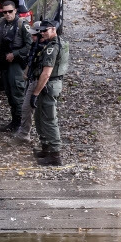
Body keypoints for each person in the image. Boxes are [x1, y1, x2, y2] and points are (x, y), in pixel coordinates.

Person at [29, 20, 69, 166]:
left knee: (49, 119)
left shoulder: (52, 47)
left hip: (49, 84)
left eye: (45, 31)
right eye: (41, 31)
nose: (42, 33)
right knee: (40, 117)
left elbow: (46, 74)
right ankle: (46, 148)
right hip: (52, 84)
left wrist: (35, 93)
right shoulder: (60, 42)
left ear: (53, 30)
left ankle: (55, 155)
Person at [0, 0, 32, 133]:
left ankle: (22, 126)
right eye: (5, 12)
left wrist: (15, 54)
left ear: (15, 11)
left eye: (10, 11)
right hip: (4, 63)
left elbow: (29, 46)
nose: (8, 14)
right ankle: (15, 122)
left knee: (18, 95)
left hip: (16, 63)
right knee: (9, 94)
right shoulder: (1, 23)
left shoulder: (22, 24)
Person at [13, 21, 43, 143]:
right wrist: (26, 73)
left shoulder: (46, 47)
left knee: (35, 109)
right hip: (33, 79)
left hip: (40, 81)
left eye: (35, 35)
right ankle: (25, 134)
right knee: (27, 108)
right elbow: (31, 61)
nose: (32, 37)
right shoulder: (35, 46)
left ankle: (31, 135)